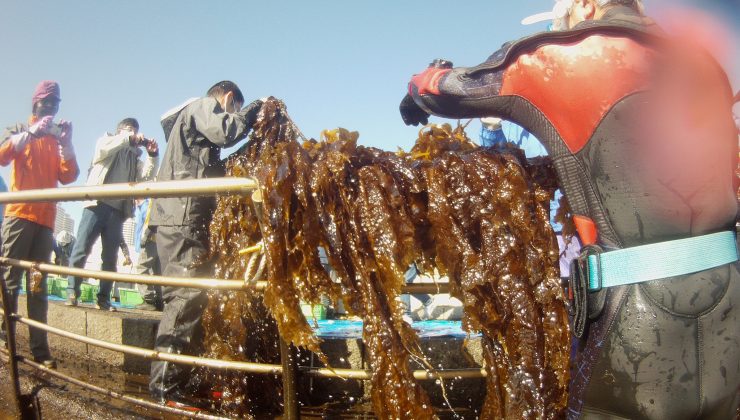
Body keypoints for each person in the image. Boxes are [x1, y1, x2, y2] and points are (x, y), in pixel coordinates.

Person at [399, 1, 739, 418]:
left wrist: (419, 89)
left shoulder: (567, 54)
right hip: (730, 308)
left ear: (585, 4)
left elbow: (453, 87)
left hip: (634, 324)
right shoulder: (705, 65)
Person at [148, 81, 264, 405]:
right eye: (235, 108)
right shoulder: (201, 107)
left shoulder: (190, 134)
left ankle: (187, 380)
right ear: (227, 99)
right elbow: (227, 130)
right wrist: (257, 108)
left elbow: (213, 168)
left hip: (183, 219)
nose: (235, 113)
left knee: (197, 299)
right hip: (182, 219)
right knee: (184, 298)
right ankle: (164, 391)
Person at [0, 80, 79, 368]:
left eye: (55, 104)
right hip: (19, 216)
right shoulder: (20, 129)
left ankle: (40, 352)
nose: (51, 108)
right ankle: (5, 341)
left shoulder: (56, 140)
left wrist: (67, 144)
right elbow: (2, 156)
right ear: (35, 104)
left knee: (37, 287)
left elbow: (69, 176)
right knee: (9, 282)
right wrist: (30, 134)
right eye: (46, 103)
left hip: (46, 223)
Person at [66, 118, 159, 311]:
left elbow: (145, 177)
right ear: (120, 131)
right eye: (129, 130)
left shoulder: (135, 158)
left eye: (135, 131)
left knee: (110, 257)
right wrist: (128, 138)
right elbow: (103, 149)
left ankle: (103, 298)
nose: (133, 134)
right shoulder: (106, 141)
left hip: (117, 211)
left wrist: (152, 155)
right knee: (82, 248)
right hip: (96, 203)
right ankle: (72, 290)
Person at [132, 198, 162, 311]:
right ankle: (160, 299)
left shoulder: (149, 202)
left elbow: (151, 218)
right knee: (157, 271)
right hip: (159, 239)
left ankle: (148, 299)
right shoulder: (149, 202)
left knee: (141, 267)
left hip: (151, 239)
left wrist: (146, 234)